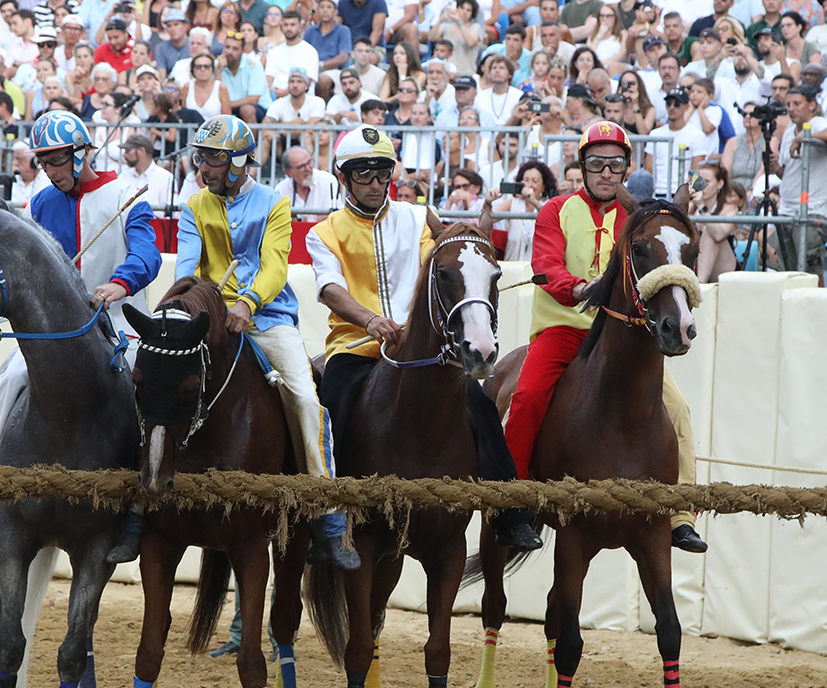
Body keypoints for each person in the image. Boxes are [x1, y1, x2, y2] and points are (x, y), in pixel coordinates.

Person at [308, 126, 543, 562]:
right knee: (330, 405)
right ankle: (327, 519)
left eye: (383, 174)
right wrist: (370, 320)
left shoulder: (417, 218)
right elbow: (329, 289)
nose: (377, 183)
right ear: (344, 178)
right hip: (353, 348)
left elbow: (439, 268)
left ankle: (510, 513)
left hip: (421, 350)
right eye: (365, 174)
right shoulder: (323, 232)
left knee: (481, 407)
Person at [0, 111, 161, 552]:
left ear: (80, 154)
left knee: (147, 394)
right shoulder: (40, 202)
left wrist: (118, 283)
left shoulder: (126, 194)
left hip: (122, 324)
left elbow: (150, 255)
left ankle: (138, 507)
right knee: (7, 382)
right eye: (43, 163)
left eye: (56, 162)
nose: (49, 172)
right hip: (54, 333)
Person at [504, 121, 707, 553]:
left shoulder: (639, 220)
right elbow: (545, 266)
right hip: (563, 329)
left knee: (679, 408)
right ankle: (515, 504)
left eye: (615, 164)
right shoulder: (555, 210)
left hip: (622, 337)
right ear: (582, 166)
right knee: (526, 397)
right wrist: (579, 288)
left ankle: (679, 513)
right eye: (596, 163)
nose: (605, 172)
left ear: (626, 170)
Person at [172, 114, 359, 571]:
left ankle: (329, 522)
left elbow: (275, 266)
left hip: (267, 317)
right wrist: (197, 307)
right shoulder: (194, 204)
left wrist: (248, 303)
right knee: (151, 377)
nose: (204, 167)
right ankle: (140, 508)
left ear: (239, 162)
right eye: (201, 157)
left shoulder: (274, 203)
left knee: (304, 398)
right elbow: (187, 269)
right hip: (208, 317)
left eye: (214, 158)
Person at [772, 84, 827, 279]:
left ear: (811, 105)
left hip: (811, 210)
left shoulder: (817, 123)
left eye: (797, 104)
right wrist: (776, 168)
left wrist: (804, 137)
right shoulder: (789, 130)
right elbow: (789, 173)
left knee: (811, 273)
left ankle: (819, 308)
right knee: (787, 273)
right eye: (789, 104)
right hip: (787, 210)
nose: (791, 108)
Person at [690, 160, 741, 282]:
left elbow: (718, 235)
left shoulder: (729, 208)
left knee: (710, 231)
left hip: (723, 267)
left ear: (719, 184)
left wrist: (702, 208)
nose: (701, 186)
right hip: (695, 261)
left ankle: (700, 284)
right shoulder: (690, 205)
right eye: (698, 181)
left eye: (706, 182)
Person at [274, 143, 340, 218]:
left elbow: (331, 217)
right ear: (289, 171)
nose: (308, 168)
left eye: (309, 162)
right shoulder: (281, 188)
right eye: (302, 166)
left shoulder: (328, 180)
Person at [114, 132, 175, 209]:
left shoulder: (166, 177)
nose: (124, 155)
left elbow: (171, 213)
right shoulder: (122, 177)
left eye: (128, 150)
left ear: (141, 151)